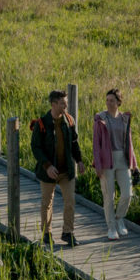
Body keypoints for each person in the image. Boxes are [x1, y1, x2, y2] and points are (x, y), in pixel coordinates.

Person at [31, 89, 83, 246]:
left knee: (70, 201)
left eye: (66, 102)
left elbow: (74, 142)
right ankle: (46, 233)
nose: (65, 105)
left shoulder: (69, 120)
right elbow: (36, 148)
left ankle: (68, 233)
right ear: (53, 104)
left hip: (66, 170)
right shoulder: (42, 123)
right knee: (47, 203)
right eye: (62, 103)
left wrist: (79, 160)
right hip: (49, 172)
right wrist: (47, 166)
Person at [92, 88, 139, 240]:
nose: (108, 103)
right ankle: (111, 227)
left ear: (119, 102)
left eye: (112, 100)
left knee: (127, 193)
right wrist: (97, 165)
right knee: (109, 196)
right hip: (106, 161)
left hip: (122, 160)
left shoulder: (124, 119)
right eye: (107, 100)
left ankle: (119, 219)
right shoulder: (100, 118)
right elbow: (96, 144)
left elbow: (129, 143)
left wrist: (134, 164)